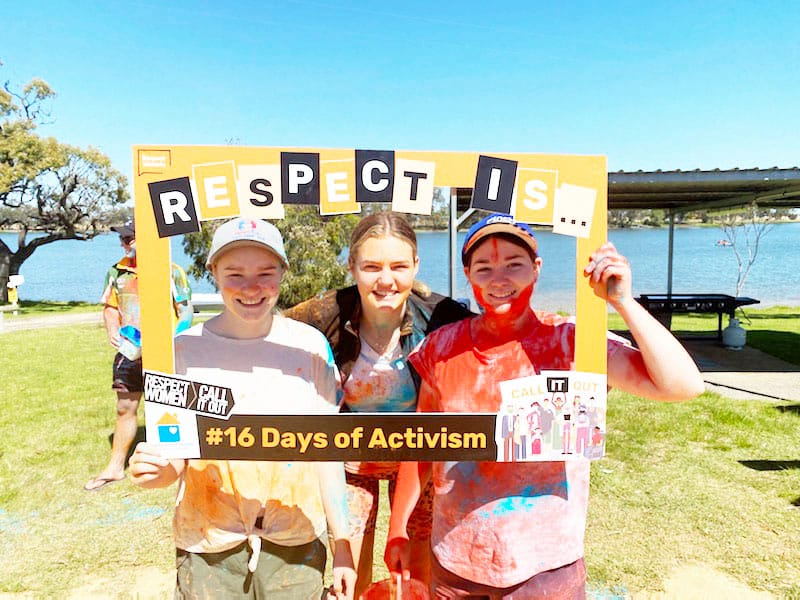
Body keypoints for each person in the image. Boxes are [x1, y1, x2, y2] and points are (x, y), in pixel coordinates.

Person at [384, 213, 705, 598]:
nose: (499, 279)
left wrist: (623, 302)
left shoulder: (572, 343)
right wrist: (398, 528)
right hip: (456, 565)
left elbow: (682, 385)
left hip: (546, 569)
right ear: (467, 274)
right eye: (484, 268)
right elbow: (423, 445)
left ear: (536, 270)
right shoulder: (441, 349)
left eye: (514, 265)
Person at [129, 217, 356, 599]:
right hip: (208, 545)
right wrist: (156, 471)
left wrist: (343, 542)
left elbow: (326, 453)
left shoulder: (310, 347)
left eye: (265, 272)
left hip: (296, 541)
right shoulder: (181, 353)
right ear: (213, 271)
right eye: (234, 273)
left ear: (283, 272)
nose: (251, 287)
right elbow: (176, 453)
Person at [285, 211, 472, 597]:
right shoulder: (323, 315)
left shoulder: (444, 317)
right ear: (351, 265)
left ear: (416, 266)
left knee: (416, 576)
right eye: (371, 266)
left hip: (419, 462)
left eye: (399, 266)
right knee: (349, 575)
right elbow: (262, 335)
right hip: (352, 463)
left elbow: (497, 339)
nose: (386, 280)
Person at [84, 219, 193, 491]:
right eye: (122, 239)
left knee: (170, 409)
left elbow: (186, 311)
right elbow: (110, 307)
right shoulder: (116, 272)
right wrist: (112, 329)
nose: (124, 243)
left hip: (165, 351)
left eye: (129, 237)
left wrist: (174, 339)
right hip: (129, 351)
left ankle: (179, 464)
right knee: (124, 408)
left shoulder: (171, 271)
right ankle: (115, 467)